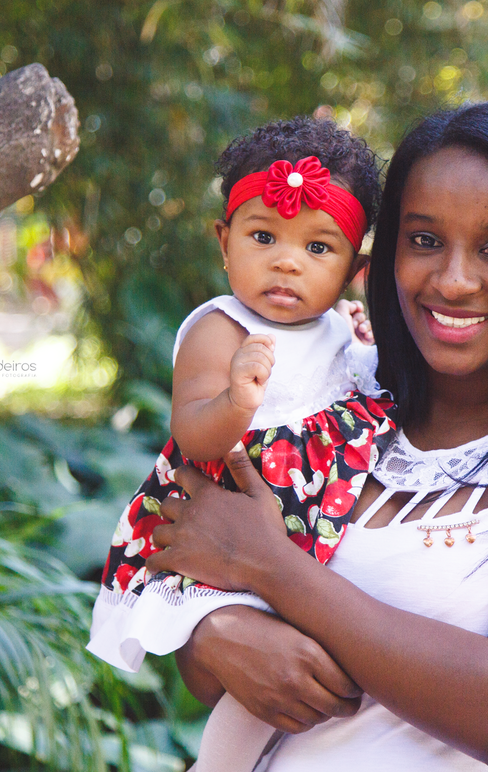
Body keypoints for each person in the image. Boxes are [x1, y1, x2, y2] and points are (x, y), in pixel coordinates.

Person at [143, 102, 488, 772]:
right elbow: (193, 590)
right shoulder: (331, 395)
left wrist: (272, 569)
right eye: (424, 240)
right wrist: (213, 630)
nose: (452, 280)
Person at [86, 117, 396, 772]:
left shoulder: (345, 327)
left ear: (353, 270)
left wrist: (367, 341)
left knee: (322, 678)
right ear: (224, 242)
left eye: (319, 249)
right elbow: (191, 432)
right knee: (253, 695)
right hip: (229, 531)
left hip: (318, 537)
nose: (287, 261)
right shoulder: (220, 329)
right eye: (263, 237)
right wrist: (237, 401)